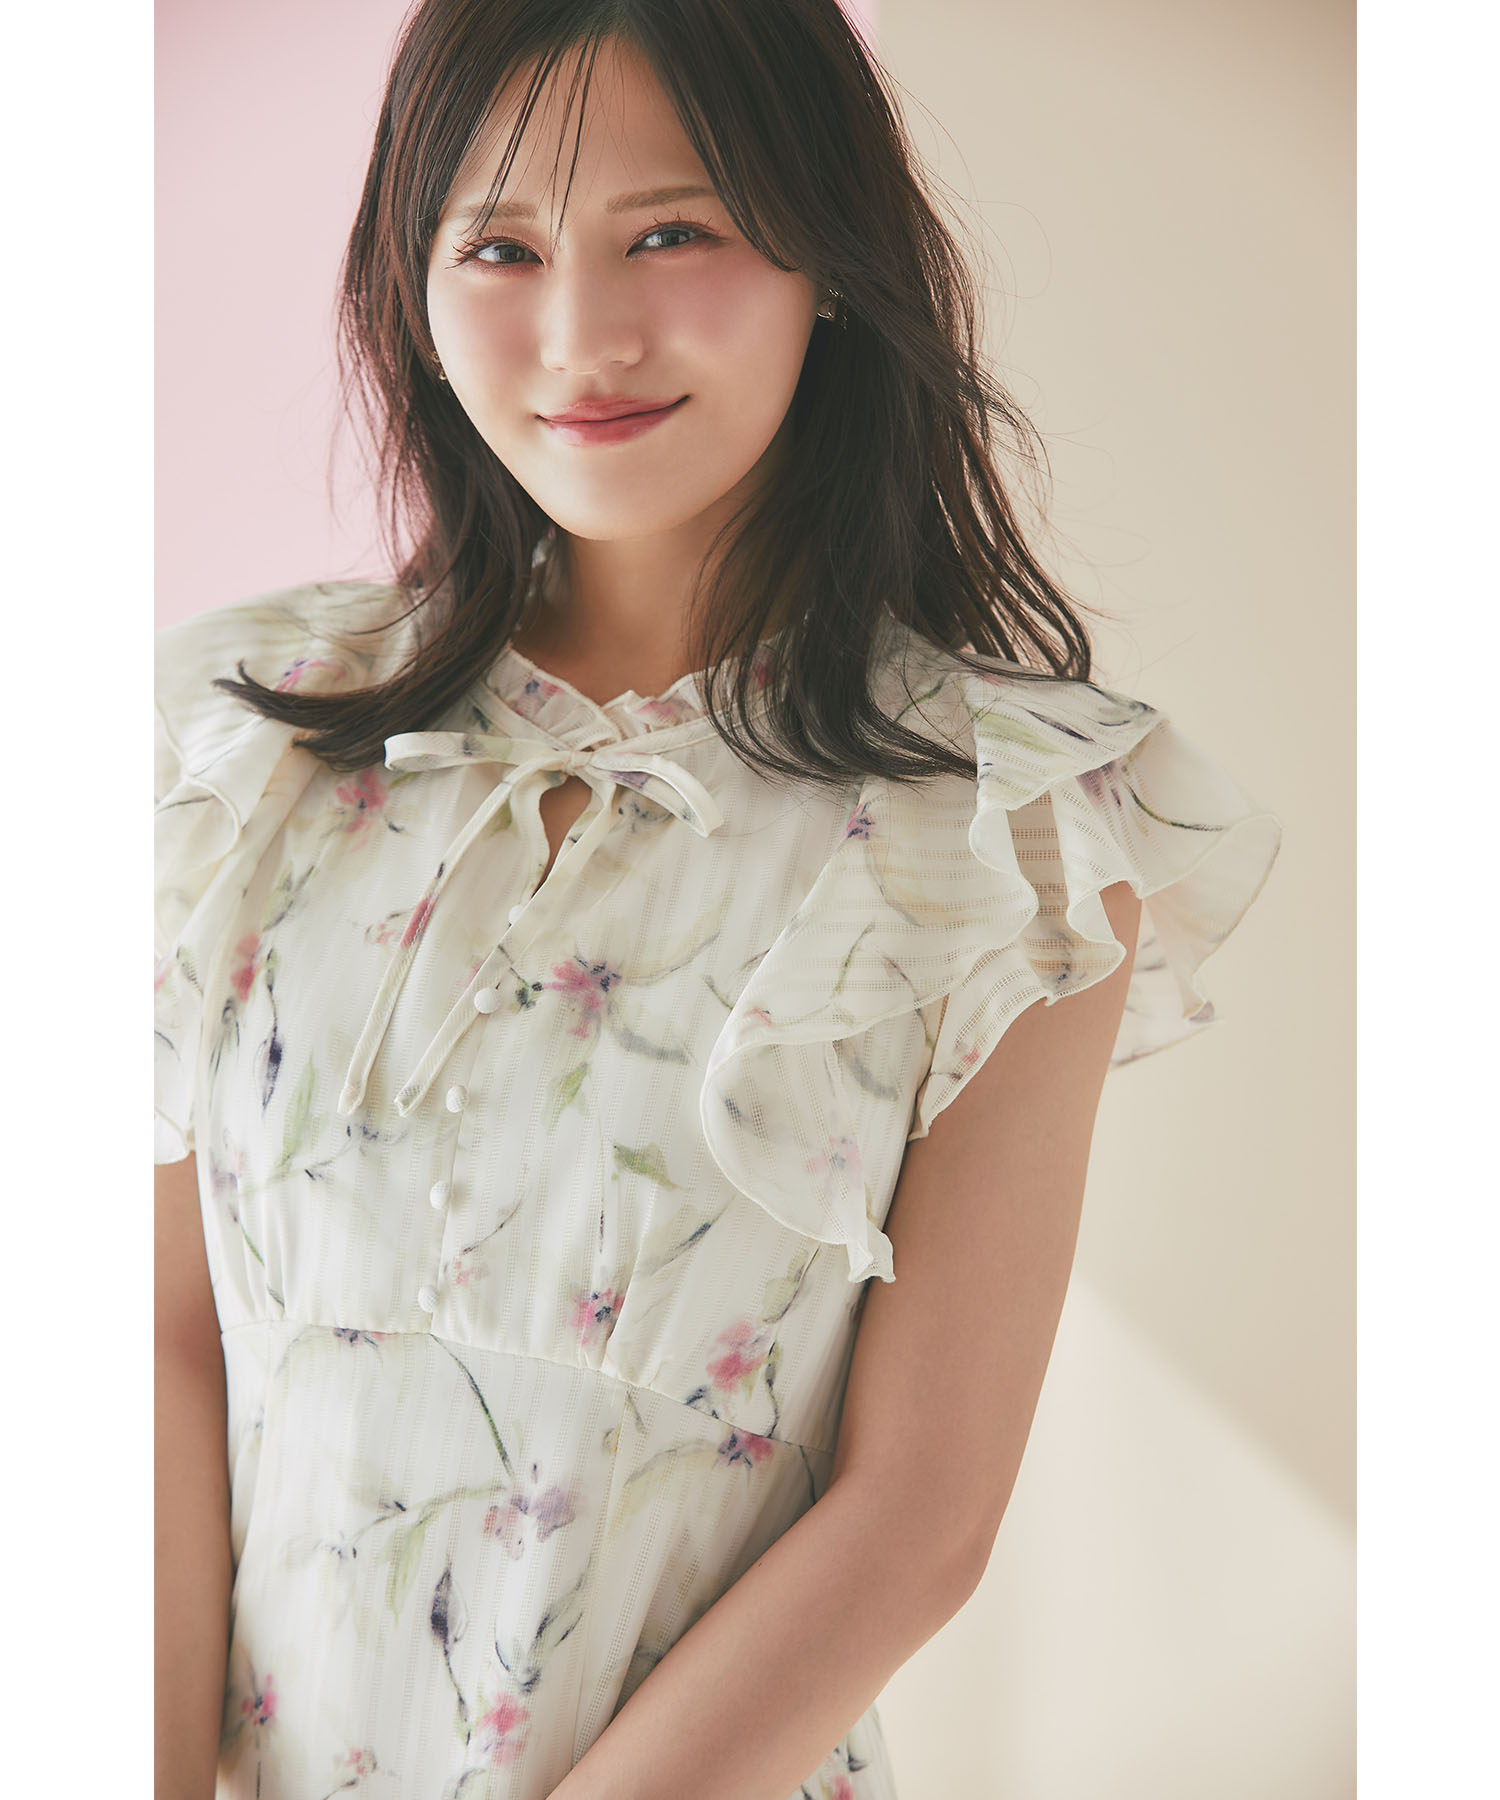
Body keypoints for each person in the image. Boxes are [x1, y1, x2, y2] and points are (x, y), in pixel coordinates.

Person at [153, 2, 1283, 1796]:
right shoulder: (235, 747)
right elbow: (155, 1349)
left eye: (673, 231)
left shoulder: (1011, 829)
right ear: (410, 284)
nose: (582, 336)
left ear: (828, 258)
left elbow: (919, 1516)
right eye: (500, 249)